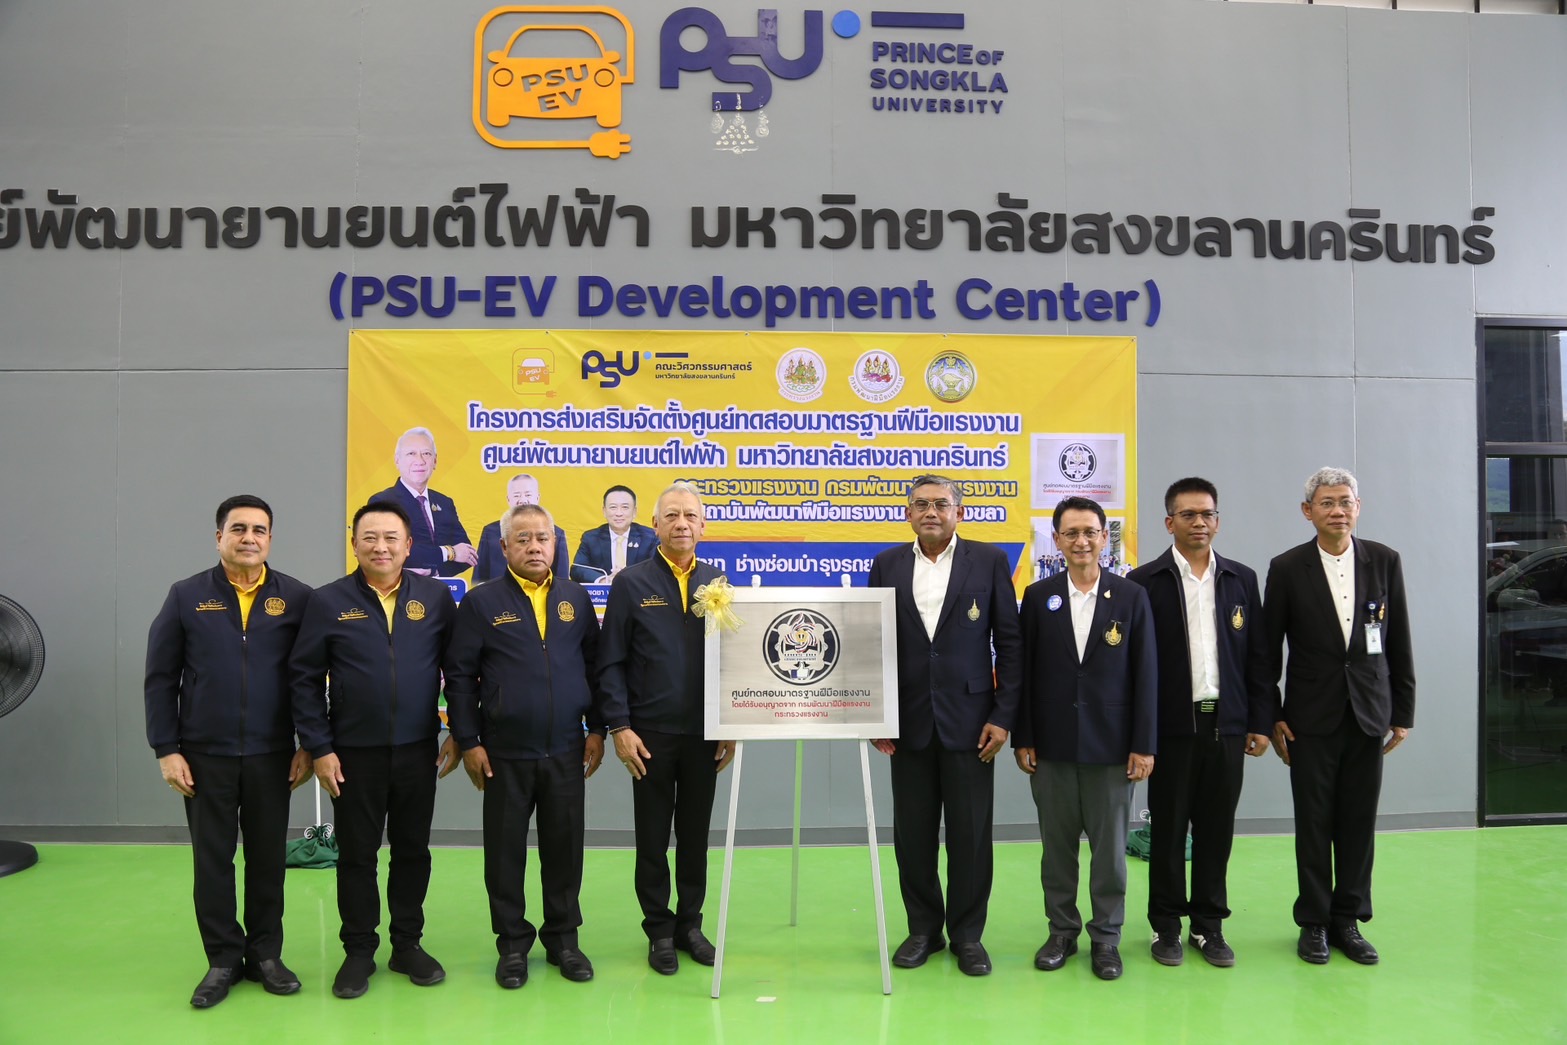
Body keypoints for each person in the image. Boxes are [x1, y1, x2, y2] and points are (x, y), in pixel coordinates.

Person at [144, 495, 314, 1008]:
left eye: (259, 530)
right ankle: (222, 959)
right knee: (213, 860)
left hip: (272, 754)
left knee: (267, 859)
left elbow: (311, 678)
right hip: (204, 756)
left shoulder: (297, 598)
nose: (249, 538)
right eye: (238, 528)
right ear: (219, 537)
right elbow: (160, 677)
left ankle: (265, 956)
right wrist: (166, 748)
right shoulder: (186, 596)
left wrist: (308, 744)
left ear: (270, 539)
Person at [289, 502, 459, 999]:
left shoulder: (434, 598)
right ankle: (359, 950)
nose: (380, 547)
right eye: (370, 538)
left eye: (390, 538)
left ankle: (407, 945)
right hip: (351, 754)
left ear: (409, 546)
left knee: (412, 852)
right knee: (357, 856)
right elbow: (303, 679)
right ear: (355, 545)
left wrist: (460, 732)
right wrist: (319, 746)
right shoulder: (327, 601)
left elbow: (460, 670)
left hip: (418, 749)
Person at [444, 503, 605, 988]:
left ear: (555, 544)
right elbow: (459, 677)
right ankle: (512, 944)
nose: (535, 547)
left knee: (565, 850)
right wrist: (468, 740)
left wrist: (597, 729)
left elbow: (595, 668)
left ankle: (563, 941)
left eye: (543, 538)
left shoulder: (575, 598)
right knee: (504, 853)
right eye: (524, 539)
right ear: (504, 546)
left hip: (566, 749)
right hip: (503, 752)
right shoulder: (481, 602)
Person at [867, 474, 1021, 977]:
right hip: (907, 723)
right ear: (907, 513)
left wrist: (1002, 717)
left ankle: (968, 936)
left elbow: (1010, 644)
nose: (930, 512)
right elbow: (873, 644)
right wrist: (877, 713)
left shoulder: (990, 561)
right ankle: (923, 930)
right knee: (912, 835)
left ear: (959, 512)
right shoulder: (887, 564)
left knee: (970, 836)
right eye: (920, 504)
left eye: (940, 504)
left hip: (973, 724)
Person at [1266, 467, 1415, 966]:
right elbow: (1267, 650)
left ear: (1358, 507)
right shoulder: (1287, 568)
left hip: (1369, 713)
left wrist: (1403, 710)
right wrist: (1272, 713)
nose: (1337, 511)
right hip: (1308, 719)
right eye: (1327, 503)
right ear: (1307, 511)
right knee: (1313, 823)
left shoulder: (1384, 561)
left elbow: (1398, 639)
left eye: (1345, 501)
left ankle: (1348, 920)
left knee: (1358, 822)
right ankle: (1313, 922)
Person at [1126, 478, 1272, 969]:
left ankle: (1209, 926)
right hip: (1170, 731)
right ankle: (1165, 926)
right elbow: (1134, 667)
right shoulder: (1144, 582)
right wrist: (1141, 735)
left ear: (1217, 521)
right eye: (1188, 515)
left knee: (1216, 832)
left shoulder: (1240, 578)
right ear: (1169, 522)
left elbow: (1258, 657)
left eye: (1207, 514)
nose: (1199, 523)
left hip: (1226, 726)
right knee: (1167, 833)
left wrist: (1259, 720)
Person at [1014, 495, 1156, 982]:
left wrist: (1143, 744)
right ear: (1056, 540)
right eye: (1071, 533)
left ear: (1104, 539)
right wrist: (1024, 737)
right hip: (1051, 747)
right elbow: (1024, 674)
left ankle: (1106, 937)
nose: (1081, 541)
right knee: (1057, 851)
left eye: (1090, 532)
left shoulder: (1131, 596)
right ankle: (1061, 932)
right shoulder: (1038, 597)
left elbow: (1146, 675)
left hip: (1112, 748)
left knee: (1110, 853)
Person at [598, 482, 735, 975]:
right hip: (649, 736)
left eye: (690, 516)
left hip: (704, 735)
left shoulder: (718, 581)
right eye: (671, 515)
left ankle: (689, 926)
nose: (681, 523)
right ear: (654, 524)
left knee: (695, 837)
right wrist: (620, 726)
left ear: (703, 526)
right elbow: (610, 661)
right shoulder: (630, 583)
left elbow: (731, 659)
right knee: (653, 838)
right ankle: (659, 930)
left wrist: (730, 723)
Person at [371, 427, 476, 578]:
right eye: (411, 454)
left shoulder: (444, 503)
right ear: (397, 460)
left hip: (439, 588)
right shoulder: (382, 502)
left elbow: (467, 554)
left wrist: (434, 571)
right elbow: (391, 549)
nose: (419, 461)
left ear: (435, 461)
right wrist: (449, 552)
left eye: (426, 454)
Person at [474, 473, 569, 584]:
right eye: (516, 495)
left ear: (537, 498)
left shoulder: (556, 533)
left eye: (528, 495)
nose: (522, 500)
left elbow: (562, 581)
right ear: (508, 499)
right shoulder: (490, 532)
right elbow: (478, 578)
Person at [571, 484, 658, 583]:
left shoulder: (650, 537)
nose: (619, 513)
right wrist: (605, 580)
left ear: (634, 512)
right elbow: (577, 569)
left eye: (625, 507)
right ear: (604, 511)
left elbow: (657, 570)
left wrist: (627, 578)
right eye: (613, 507)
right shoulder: (591, 538)